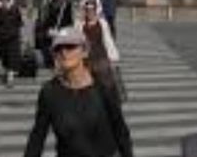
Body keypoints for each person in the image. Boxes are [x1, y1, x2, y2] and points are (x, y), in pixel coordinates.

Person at [24, 26, 133, 157]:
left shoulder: (104, 87)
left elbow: (120, 130)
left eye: (70, 47)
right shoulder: (49, 92)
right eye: (58, 49)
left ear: (84, 51)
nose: (64, 52)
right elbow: (37, 137)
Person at [79, 0, 126, 104]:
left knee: (104, 85)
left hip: (101, 59)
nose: (89, 12)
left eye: (92, 10)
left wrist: (113, 57)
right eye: (87, 10)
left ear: (96, 10)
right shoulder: (80, 25)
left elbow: (108, 40)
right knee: (88, 87)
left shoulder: (102, 23)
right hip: (86, 60)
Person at [0, 0, 22, 87]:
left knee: (12, 57)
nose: (4, 3)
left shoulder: (15, 9)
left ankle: (10, 77)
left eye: (6, 0)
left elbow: (19, 23)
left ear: (9, 1)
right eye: (3, 1)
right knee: (5, 56)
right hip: (3, 37)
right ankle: (7, 72)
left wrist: (19, 36)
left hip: (13, 37)